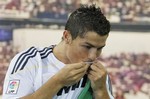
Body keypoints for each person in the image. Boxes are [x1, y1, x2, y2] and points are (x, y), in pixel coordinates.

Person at [2, 4, 114, 99]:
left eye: (100, 48)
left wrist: (101, 90)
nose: (93, 56)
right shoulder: (30, 61)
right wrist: (57, 81)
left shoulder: (99, 75)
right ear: (67, 36)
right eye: (87, 47)